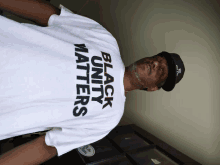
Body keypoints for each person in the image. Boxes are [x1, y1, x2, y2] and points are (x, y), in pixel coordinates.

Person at [0, 0, 185, 164]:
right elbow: (48, 15)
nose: (155, 63)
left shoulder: (110, 117)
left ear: (152, 88)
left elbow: (47, 146)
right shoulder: (106, 40)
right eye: (158, 58)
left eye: (161, 71)